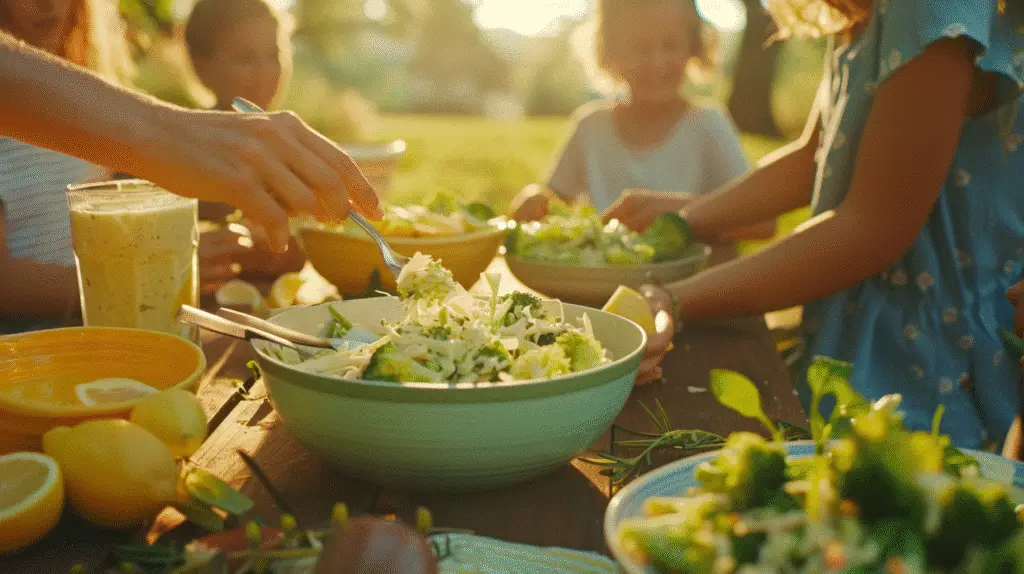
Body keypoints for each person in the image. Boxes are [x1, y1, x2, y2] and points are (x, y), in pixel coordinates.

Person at [625, 0, 1024, 450]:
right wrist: (683, 220)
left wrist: (672, 299)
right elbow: (815, 157)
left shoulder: (930, 8)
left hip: (927, 372)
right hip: (850, 337)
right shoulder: (862, 12)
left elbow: (871, 229)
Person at [509, 0, 775, 243]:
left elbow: (763, 222)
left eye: (670, 46)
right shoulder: (590, 126)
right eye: (640, 48)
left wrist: (679, 215)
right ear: (611, 51)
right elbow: (550, 203)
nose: (657, 63)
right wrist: (531, 198)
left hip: (700, 280)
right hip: (607, 280)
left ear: (693, 47)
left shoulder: (708, 125)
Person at [0, 0, 132, 330]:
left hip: (100, 331)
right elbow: (4, 283)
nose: (46, 3)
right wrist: (128, 281)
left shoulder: (95, 100)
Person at [183, 0, 305, 286]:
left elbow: (300, 256)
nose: (263, 71)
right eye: (244, 58)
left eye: (272, 56)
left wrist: (286, 252)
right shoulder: (179, 149)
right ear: (201, 68)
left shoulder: (294, 149)